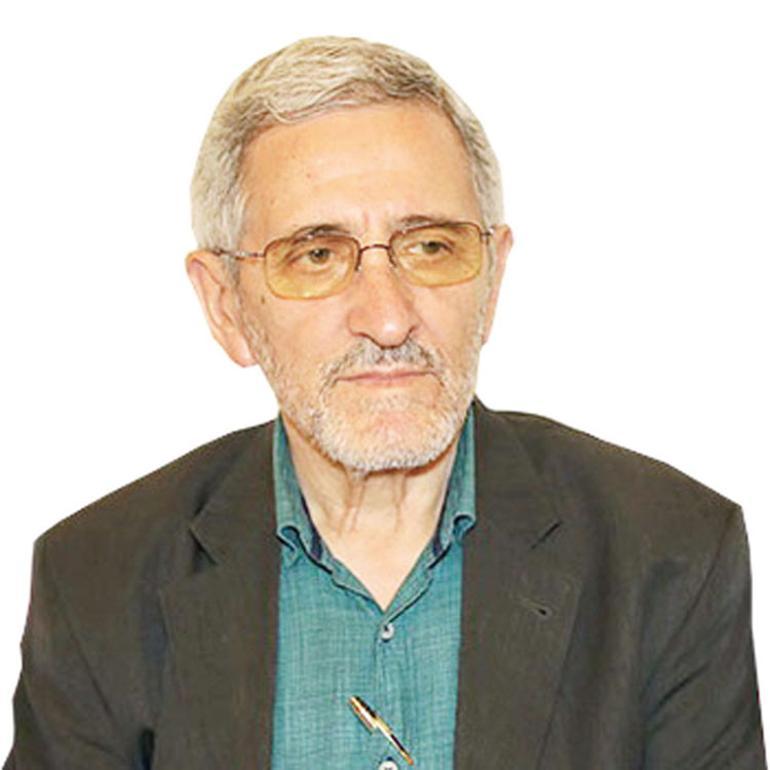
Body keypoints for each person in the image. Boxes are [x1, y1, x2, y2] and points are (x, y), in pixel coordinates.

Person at [3, 35, 765, 770]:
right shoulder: (97, 582)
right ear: (226, 305)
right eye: (317, 255)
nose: (389, 318)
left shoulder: (670, 557)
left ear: (493, 278)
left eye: (430, 247)